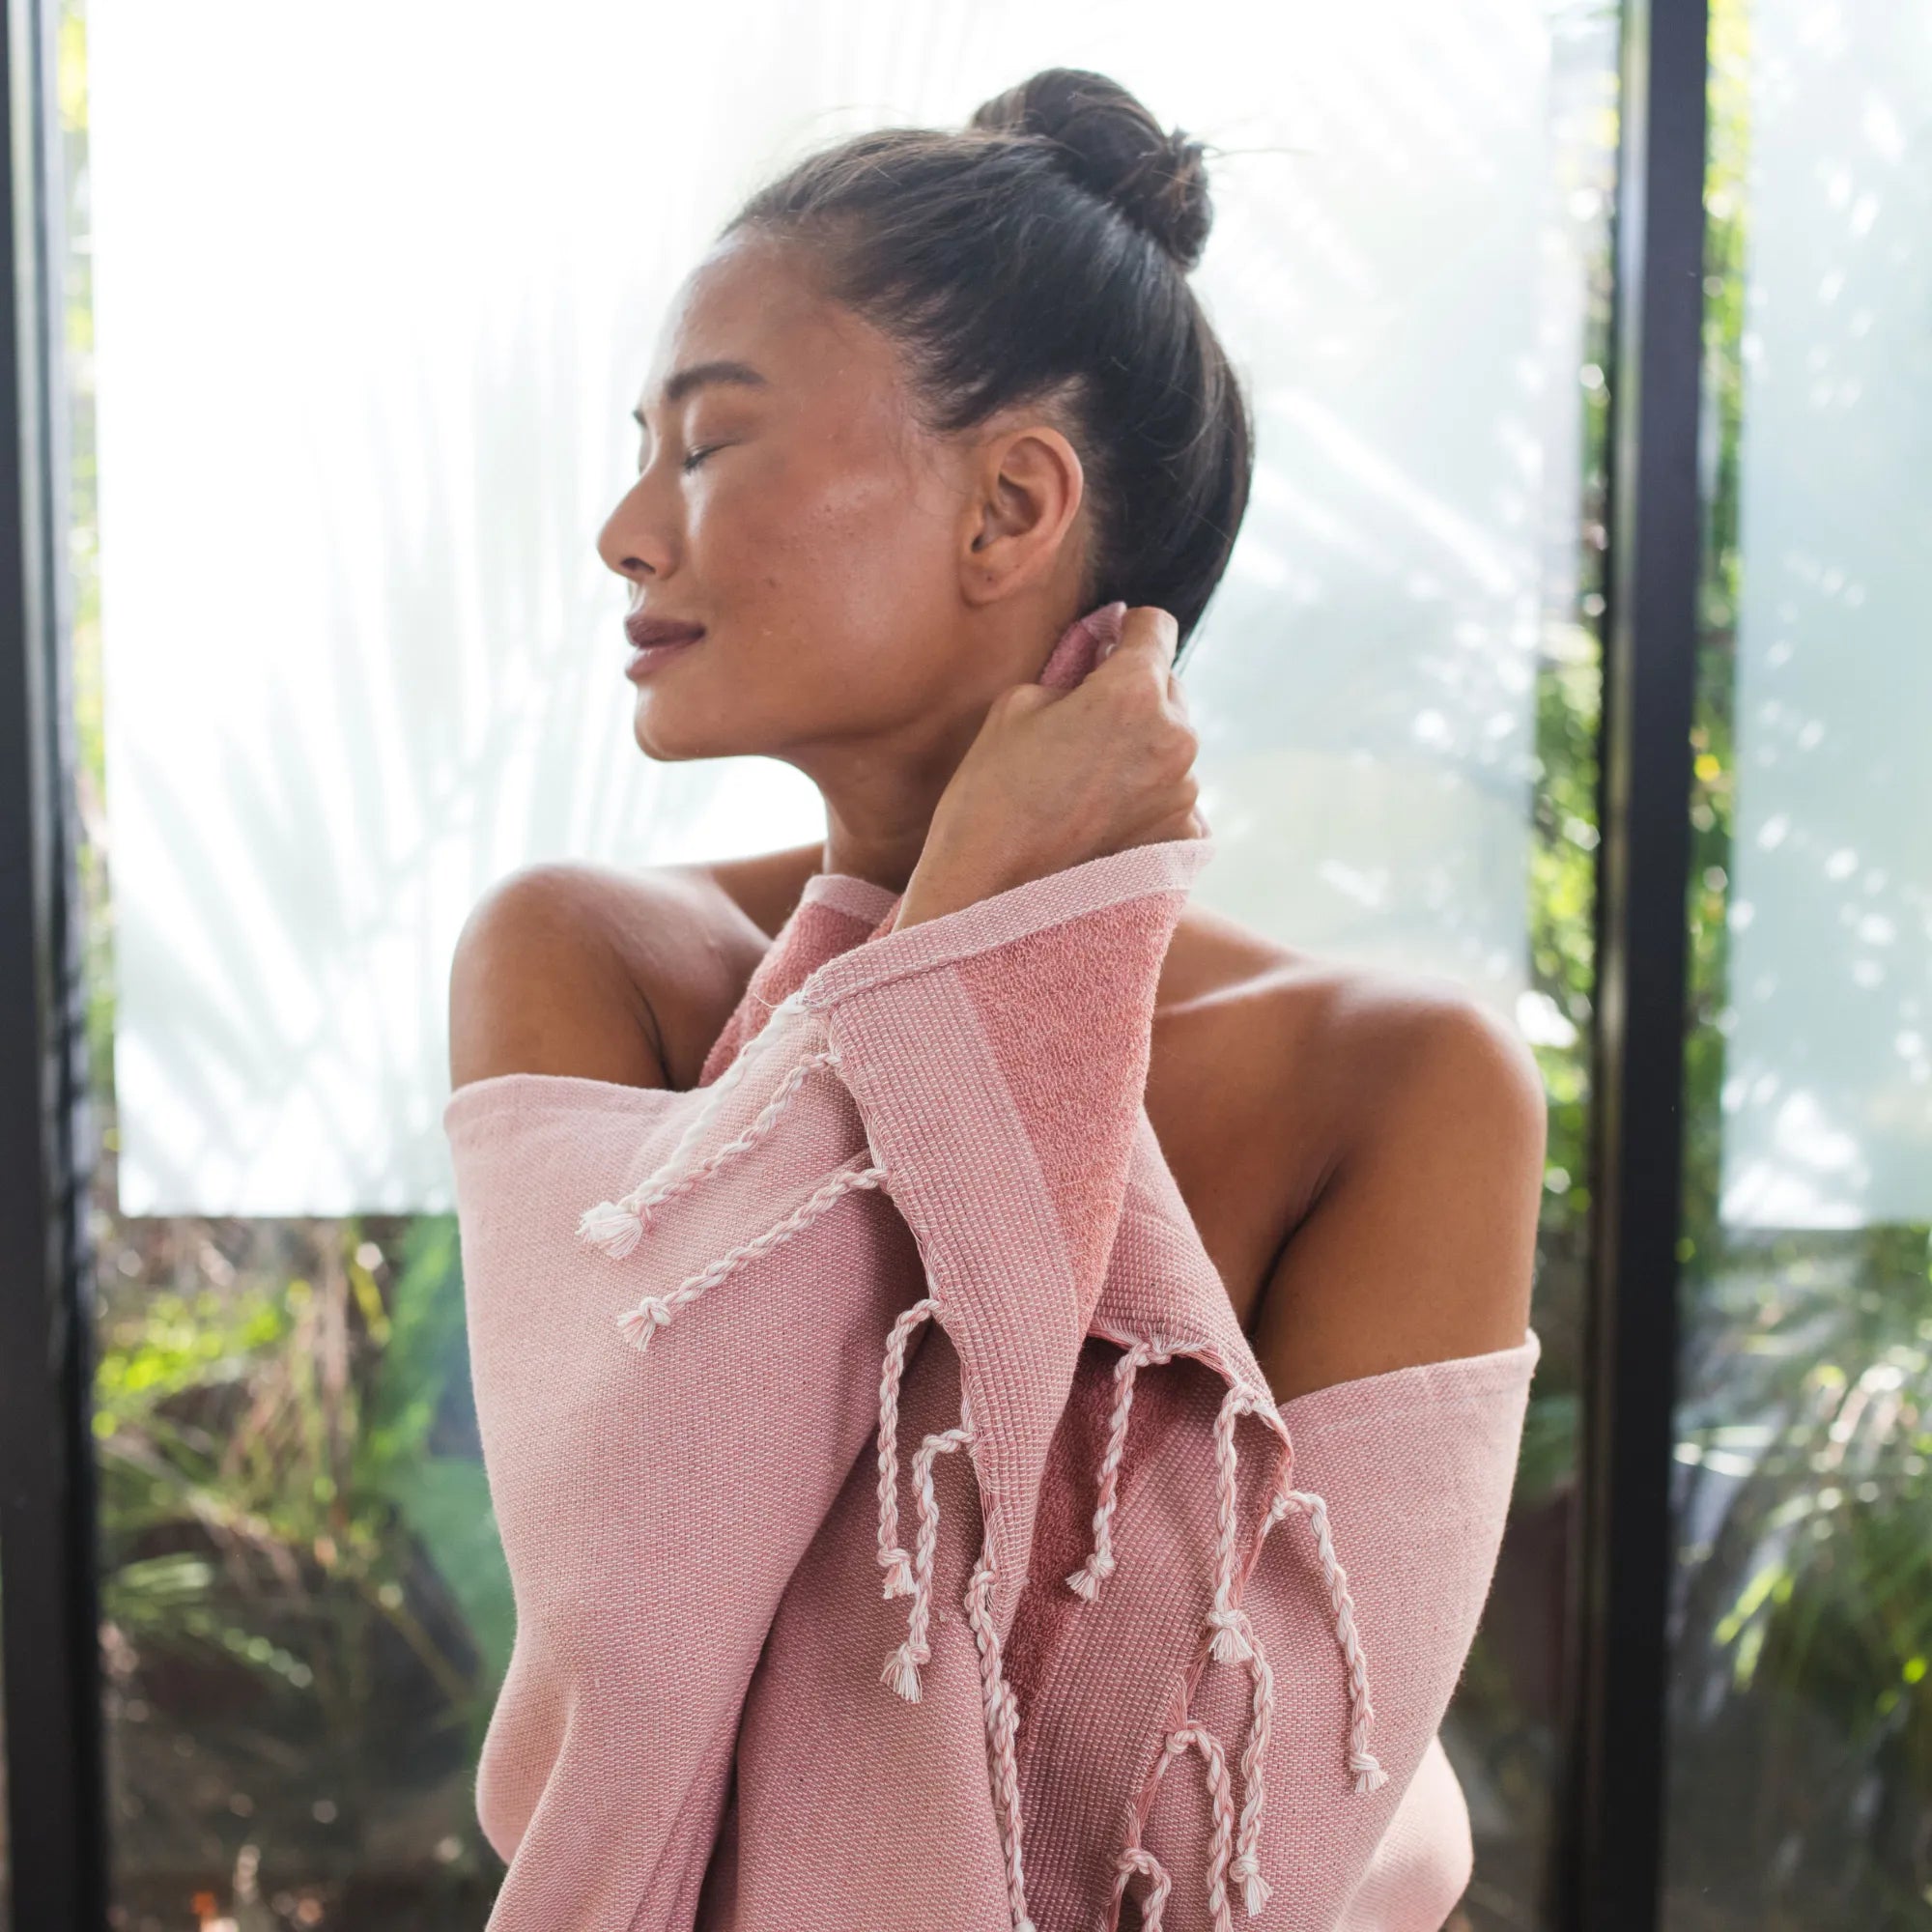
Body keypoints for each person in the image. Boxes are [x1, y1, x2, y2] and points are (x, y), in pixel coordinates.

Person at [445, 66, 1546, 1927]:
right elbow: (633, 1661)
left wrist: (996, 962)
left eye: (706, 445)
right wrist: (959, 929)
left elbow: (1235, 1837)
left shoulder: (1400, 1086)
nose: (628, 528)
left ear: (1011, 503)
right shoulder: (583, 959)